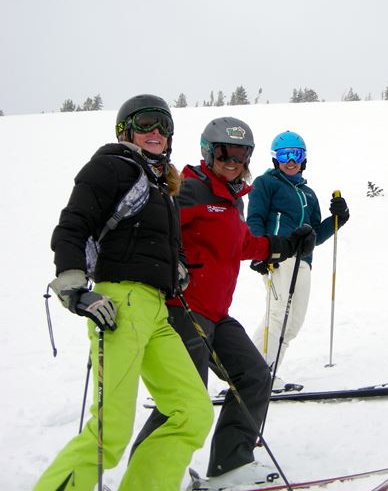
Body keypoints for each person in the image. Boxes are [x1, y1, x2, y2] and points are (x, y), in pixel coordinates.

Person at [36, 94, 214, 491]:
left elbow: (158, 243)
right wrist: (74, 288)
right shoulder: (111, 166)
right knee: (110, 432)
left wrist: (177, 268)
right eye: (146, 123)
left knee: (192, 411)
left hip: (155, 311)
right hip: (119, 306)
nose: (156, 132)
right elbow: (72, 226)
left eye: (163, 125)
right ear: (125, 130)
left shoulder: (160, 185)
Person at [131, 117, 315, 490]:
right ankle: (145, 481)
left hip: (216, 313)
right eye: (224, 152)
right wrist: (171, 260)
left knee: (254, 376)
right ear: (208, 152)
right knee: (183, 399)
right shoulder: (190, 189)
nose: (233, 159)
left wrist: (287, 245)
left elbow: (244, 245)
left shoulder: (231, 199)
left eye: (241, 153)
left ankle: (231, 463)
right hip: (182, 310)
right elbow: (150, 229)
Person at [247, 131, 349, 387]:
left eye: (296, 155)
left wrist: (339, 218)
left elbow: (316, 235)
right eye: (284, 155)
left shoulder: (309, 194)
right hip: (278, 256)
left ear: (304, 159)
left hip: (303, 261)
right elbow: (255, 218)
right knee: (279, 314)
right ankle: (256, 377)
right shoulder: (266, 183)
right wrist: (260, 251)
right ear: (275, 159)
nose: (290, 161)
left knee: (293, 323)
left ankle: (258, 374)